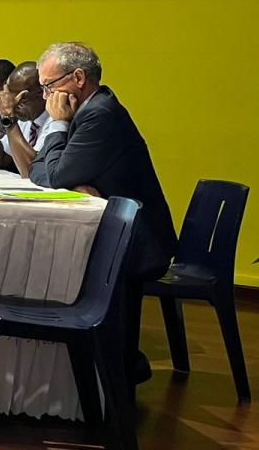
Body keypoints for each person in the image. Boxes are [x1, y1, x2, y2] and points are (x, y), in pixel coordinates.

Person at [29, 42, 176, 386]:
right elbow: (38, 171)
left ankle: (102, 373)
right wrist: (65, 177)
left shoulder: (99, 114)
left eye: (49, 86)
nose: (46, 97)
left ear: (79, 78)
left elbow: (55, 176)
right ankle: (89, 372)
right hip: (117, 233)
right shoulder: (89, 110)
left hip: (138, 244)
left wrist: (58, 126)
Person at [0, 61, 49, 178]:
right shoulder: (26, 121)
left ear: (42, 94)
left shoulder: (55, 122)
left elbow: (33, 171)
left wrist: (9, 120)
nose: (13, 105)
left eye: (21, 99)